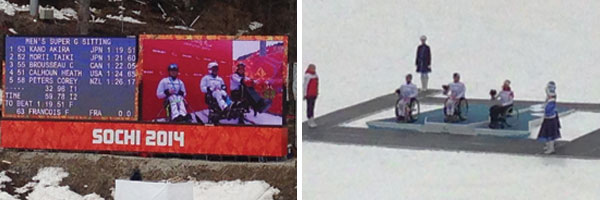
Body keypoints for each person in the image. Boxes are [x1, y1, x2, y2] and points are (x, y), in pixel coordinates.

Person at [537, 81, 561, 154]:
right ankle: (549, 146)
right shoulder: (549, 101)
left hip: (550, 119)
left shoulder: (550, 102)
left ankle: (551, 148)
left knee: (550, 134)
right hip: (549, 119)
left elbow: (548, 110)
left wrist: (546, 114)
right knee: (548, 133)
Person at [304, 64, 319, 128]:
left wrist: (317, 92)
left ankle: (312, 118)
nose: (314, 69)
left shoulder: (315, 75)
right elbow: (305, 85)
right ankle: (309, 119)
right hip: (309, 94)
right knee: (309, 106)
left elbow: (316, 85)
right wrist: (305, 94)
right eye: (312, 68)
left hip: (314, 94)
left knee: (312, 106)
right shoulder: (307, 76)